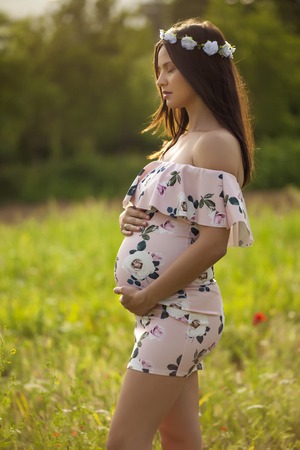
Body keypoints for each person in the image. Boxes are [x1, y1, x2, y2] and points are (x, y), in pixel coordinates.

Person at [107, 18, 254, 450]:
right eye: (159, 69)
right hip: (168, 312)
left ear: (201, 69)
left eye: (170, 67)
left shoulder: (216, 144)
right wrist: (129, 220)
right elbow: (166, 215)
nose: (161, 79)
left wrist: (150, 294)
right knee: (178, 438)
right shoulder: (180, 140)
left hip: (181, 312)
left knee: (124, 442)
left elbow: (214, 242)